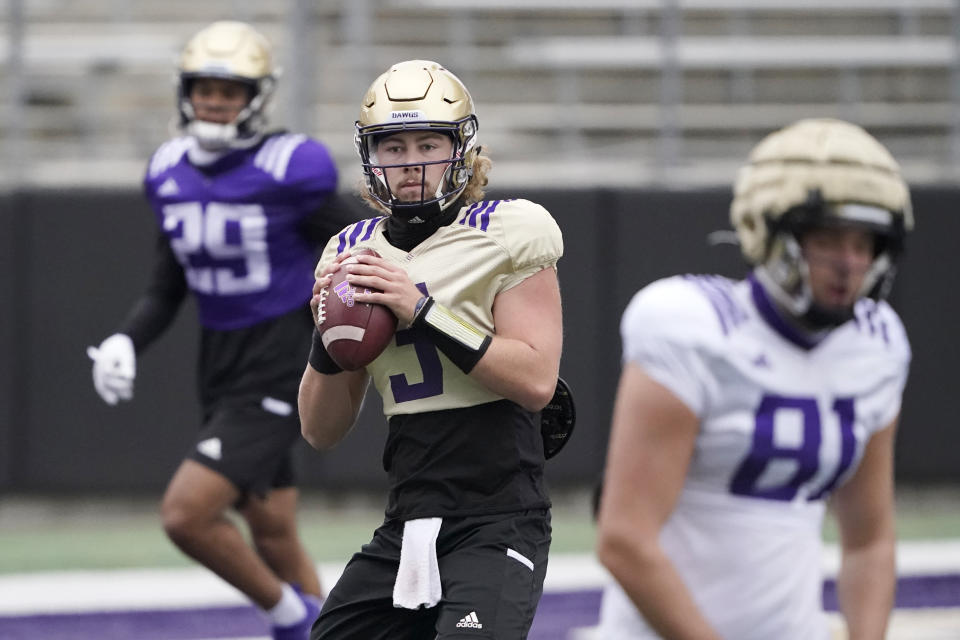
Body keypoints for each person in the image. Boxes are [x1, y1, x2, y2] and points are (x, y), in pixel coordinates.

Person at [86, 21, 361, 640]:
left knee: (186, 515)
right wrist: (128, 338)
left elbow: (358, 243)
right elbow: (167, 284)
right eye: (204, 87)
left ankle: (292, 621)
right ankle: (326, 633)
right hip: (220, 359)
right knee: (270, 528)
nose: (214, 101)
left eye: (229, 90)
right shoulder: (167, 170)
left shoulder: (293, 165)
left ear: (256, 97)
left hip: (282, 353)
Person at [595, 118, 913, 639]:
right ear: (769, 229)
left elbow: (869, 540)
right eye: (830, 239)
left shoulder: (876, 345)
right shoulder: (693, 325)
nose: (850, 263)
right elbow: (625, 540)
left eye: (866, 243)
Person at [297, 59, 564, 639]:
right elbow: (320, 430)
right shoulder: (349, 251)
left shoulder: (509, 229)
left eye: (428, 143)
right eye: (393, 147)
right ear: (371, 158)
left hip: (498, 518)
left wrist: (422, 310)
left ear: (461, 151)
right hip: (409, 515)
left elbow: (537, 379)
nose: (412, 162)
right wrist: (326, 333)